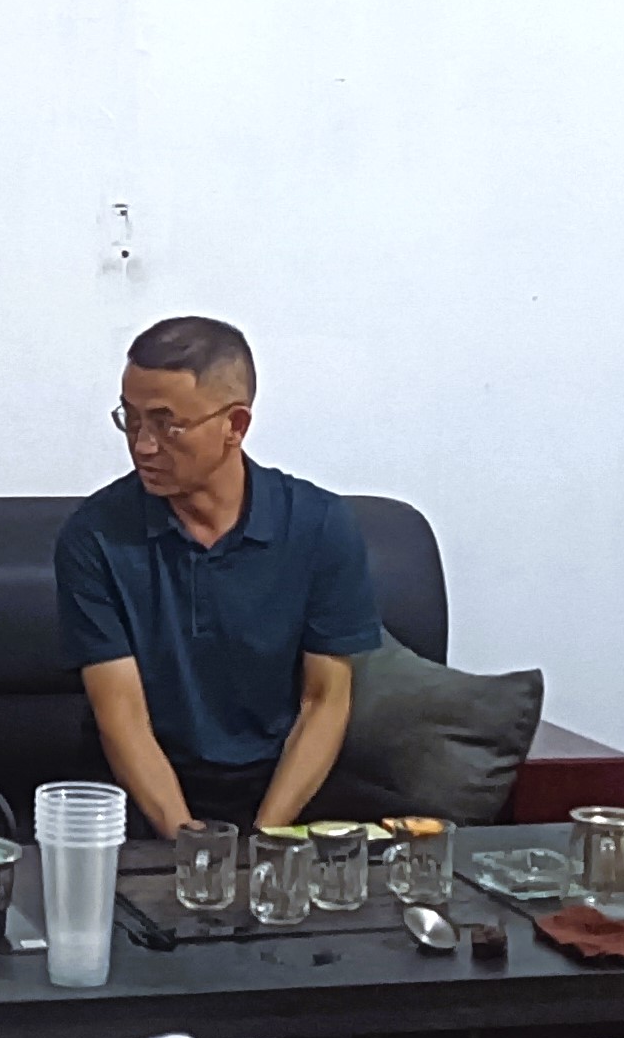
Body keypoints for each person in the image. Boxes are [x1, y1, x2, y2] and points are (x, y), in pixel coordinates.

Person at [55, 316, 383, 838]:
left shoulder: (319, 526)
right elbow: (122, 717)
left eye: (166, 425)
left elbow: (324, 701)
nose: (143, 445)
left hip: (281, 786)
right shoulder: (95, 536)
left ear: (236, 425)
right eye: (131, 420)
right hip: (145, 795)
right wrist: (192, 844)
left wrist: (265, 839)